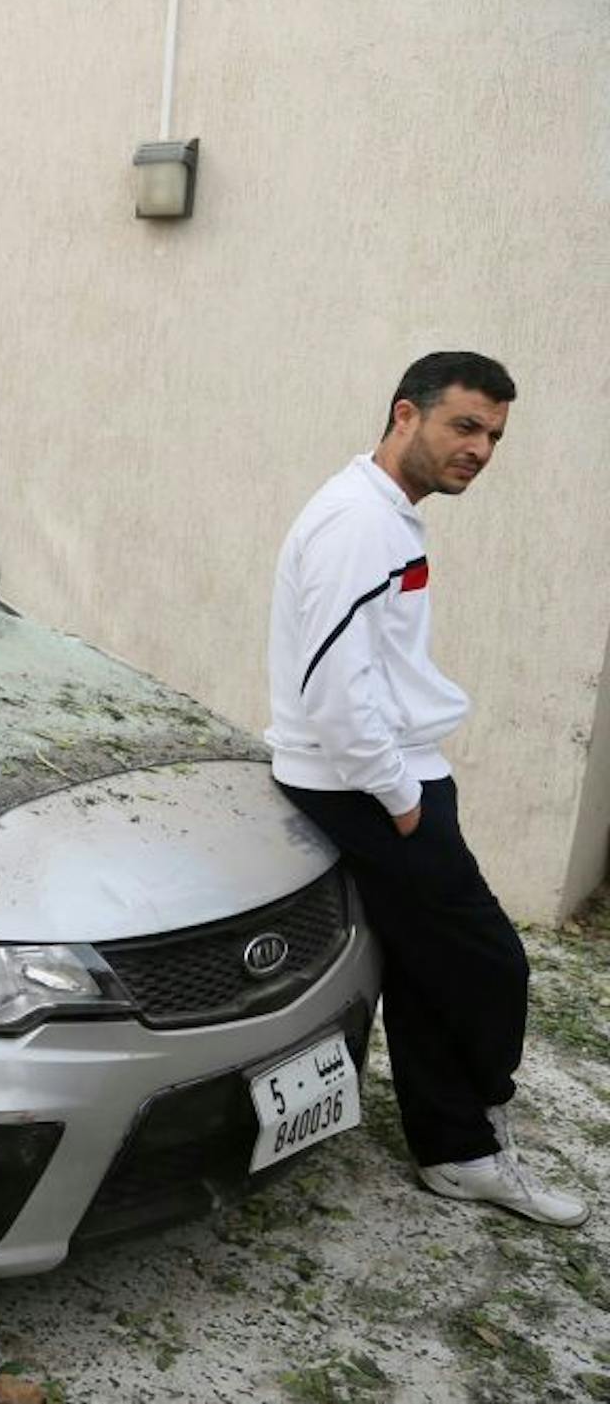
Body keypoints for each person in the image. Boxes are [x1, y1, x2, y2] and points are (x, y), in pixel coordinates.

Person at [265, 351, 585, 1227]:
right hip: (368, 785)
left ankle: (456, 1152)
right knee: (491, 965)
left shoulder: (386, 514)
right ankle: (478, 1128)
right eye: (465, 425)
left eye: (493, 435)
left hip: (384, 775)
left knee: (427, 964)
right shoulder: (358, 525)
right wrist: (400, 794)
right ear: (406, 414)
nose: (480, 448)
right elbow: (335, 689)